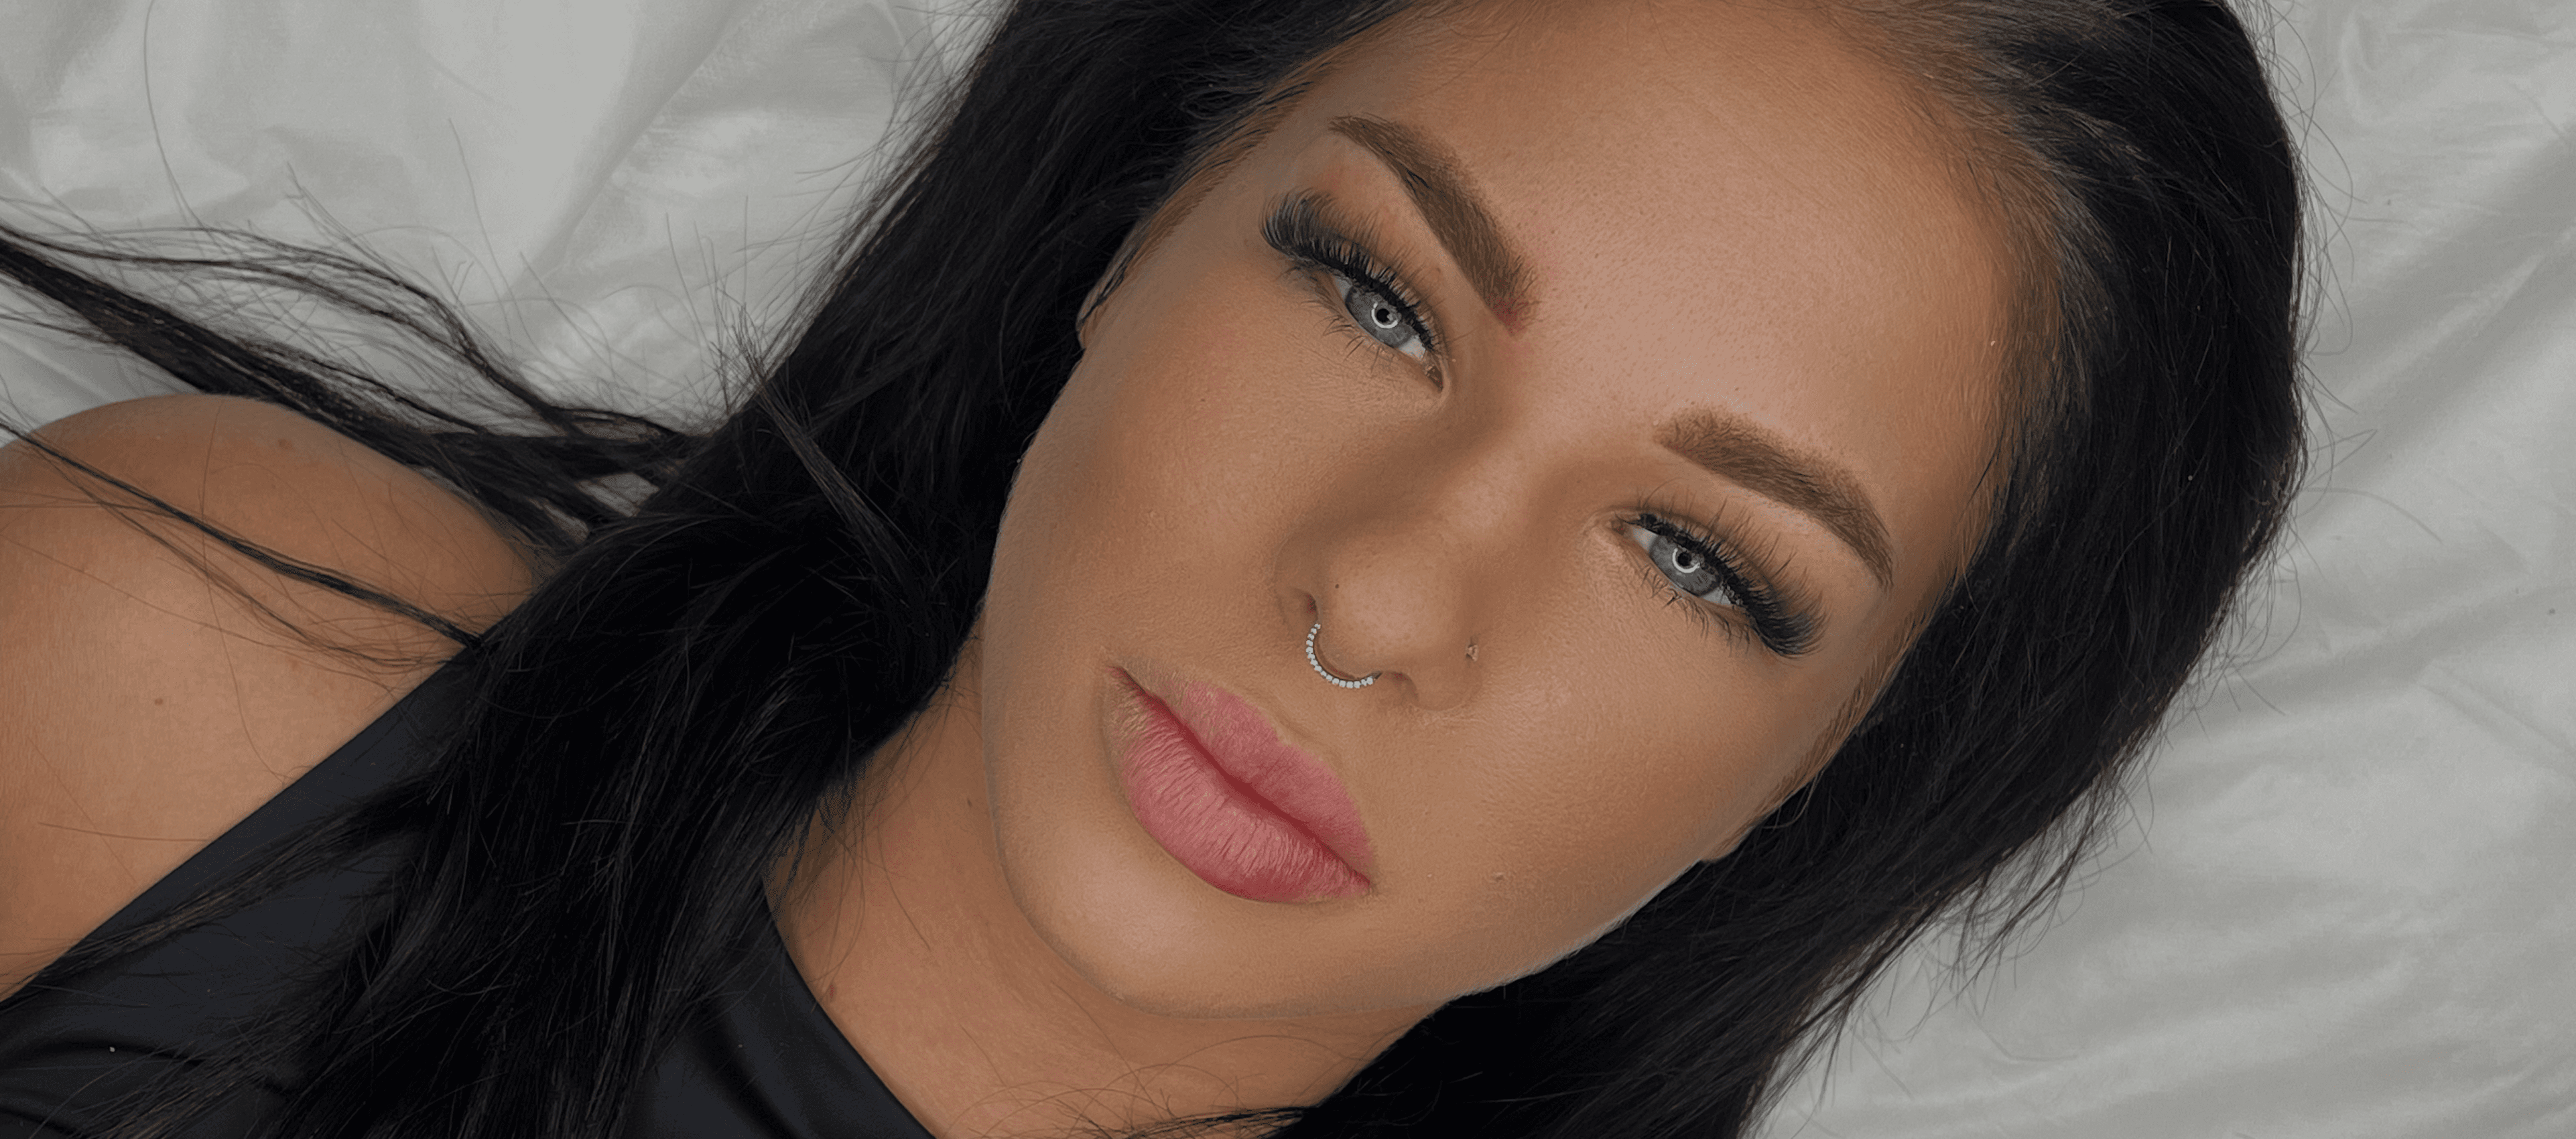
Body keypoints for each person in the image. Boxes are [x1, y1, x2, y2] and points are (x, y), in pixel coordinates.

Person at [0, 0, 2305, 1136]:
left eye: (1695, 558)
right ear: (1133, 227)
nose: (1379, 600)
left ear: (1830, 765)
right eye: (1378, 296)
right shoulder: (190, 668)